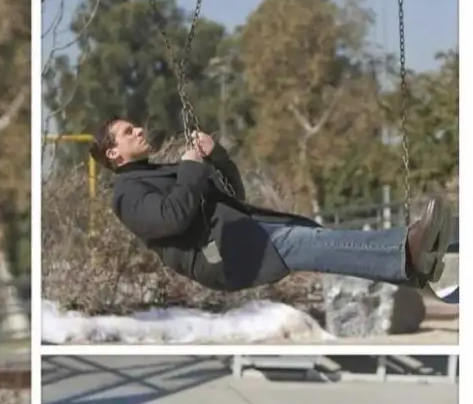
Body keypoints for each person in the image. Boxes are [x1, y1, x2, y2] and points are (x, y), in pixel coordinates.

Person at [89, 117, 453, 293]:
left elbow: (234, 195)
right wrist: (189, 166)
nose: (138, 130)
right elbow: (172, 219)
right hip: (222, 256)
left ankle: (414, 270)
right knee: (306, 243)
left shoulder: (155, 173)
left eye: (135, 127)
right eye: (127, 132)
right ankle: (407, 247)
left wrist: (217, 157)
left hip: (244, 235)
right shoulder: (126, 194)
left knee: (317, 238)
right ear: (113, 153)